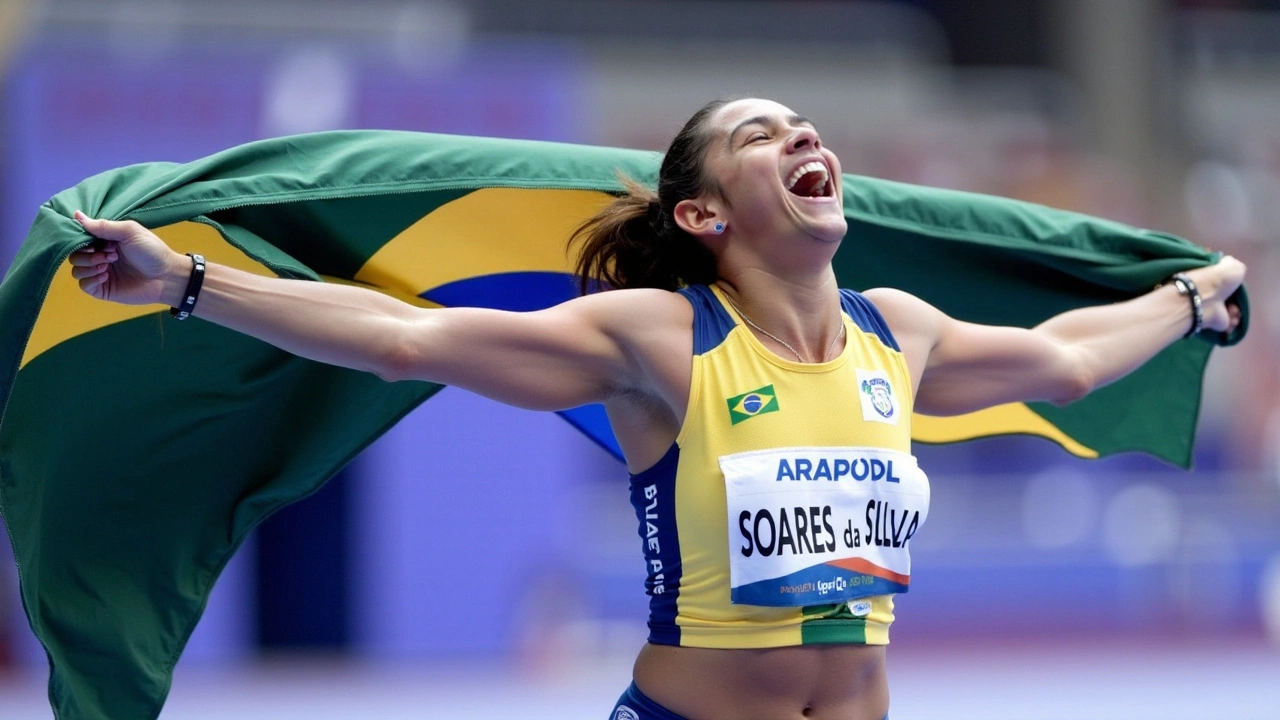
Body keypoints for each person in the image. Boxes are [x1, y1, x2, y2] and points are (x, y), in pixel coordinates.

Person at [70, 97, 1245, 720]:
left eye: (805, 127)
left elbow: (1064, 363)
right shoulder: (662, 340)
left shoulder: (901, 328)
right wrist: (185, 283)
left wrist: (1189, 299)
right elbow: (405, 338)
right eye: (759, 134)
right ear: (702, 216)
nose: (803, 136)